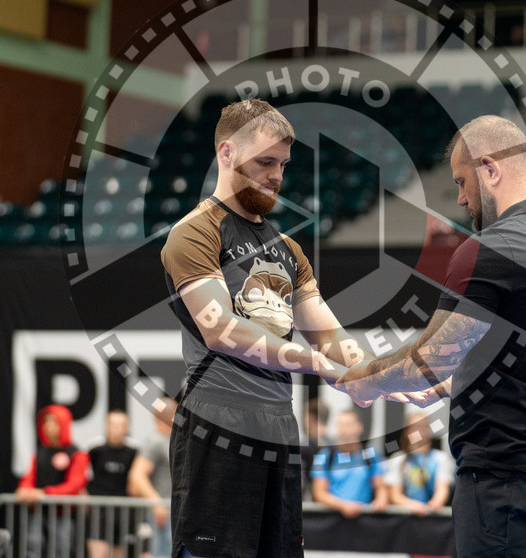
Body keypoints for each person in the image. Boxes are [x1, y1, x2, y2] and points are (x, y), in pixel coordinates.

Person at [340, 115, 526, 557]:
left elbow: (431, 359)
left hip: (508, 477)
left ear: (491, 168)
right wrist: (459, 386)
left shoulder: (494, 247)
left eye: (463, 182)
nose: (462, 199)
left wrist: (366, 379)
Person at [160, 99, 412, 558]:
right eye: (265, 162)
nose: (277, 175)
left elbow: (328, 333)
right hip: (219, 416)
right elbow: (222, 330)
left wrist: (375, 373)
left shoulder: (289, 248)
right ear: (227, 153)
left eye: (282, 164)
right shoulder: (195, 232)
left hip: (278, 421)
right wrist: (315, 363)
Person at [17, 405, 90, 558]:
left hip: (64, 515)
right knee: (33, 548)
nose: (49, 427)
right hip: (38, 512)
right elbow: (29, 477)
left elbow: (74, 485)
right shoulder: (41, 452)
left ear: (63, 424)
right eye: (46, 423)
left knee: (61, 551)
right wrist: (24, 489)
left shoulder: (76, 454)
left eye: (54, 422)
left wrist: (44, 493)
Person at [310, 409, 388, 516]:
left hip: (364, 519)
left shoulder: (371, 455)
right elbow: (319, 493)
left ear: (359, 428)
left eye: (348, 425)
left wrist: (381, 500)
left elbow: (381, 487)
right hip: (332, 521)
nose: (343, 430)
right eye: (340, 425)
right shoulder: (325, 456)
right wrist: (343, 506)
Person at [86, 409, 141, 558]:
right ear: (107, 426)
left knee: (119, 553)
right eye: (113, 425)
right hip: (99, 511)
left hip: (124, 512)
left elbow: (136, 482)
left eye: (121, 425)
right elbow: (86, 479)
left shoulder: (134, 452)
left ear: (127, 428)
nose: (117, 429)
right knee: (99, 552)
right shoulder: (95, 451)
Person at [130, 397, 177, 558]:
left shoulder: (170, 439)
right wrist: (157, 503)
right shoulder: (155, 440)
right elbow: (137, 475)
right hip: (165, 513)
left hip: (172, 512)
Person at [384, 412, 454, 514]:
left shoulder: (440, 458)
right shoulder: (398, 459)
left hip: (432, 515)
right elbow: (395, 495)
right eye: (416, 427)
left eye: (424, 427)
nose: (421, 431)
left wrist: (433, 505)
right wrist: (414, 506)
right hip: (406, 516)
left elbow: (442, 490)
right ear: (408, 432)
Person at [300, 397, 331, 500]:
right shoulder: (336, 445)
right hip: (335, 502)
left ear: (310, 418)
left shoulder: (305, 446)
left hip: (311, 504)